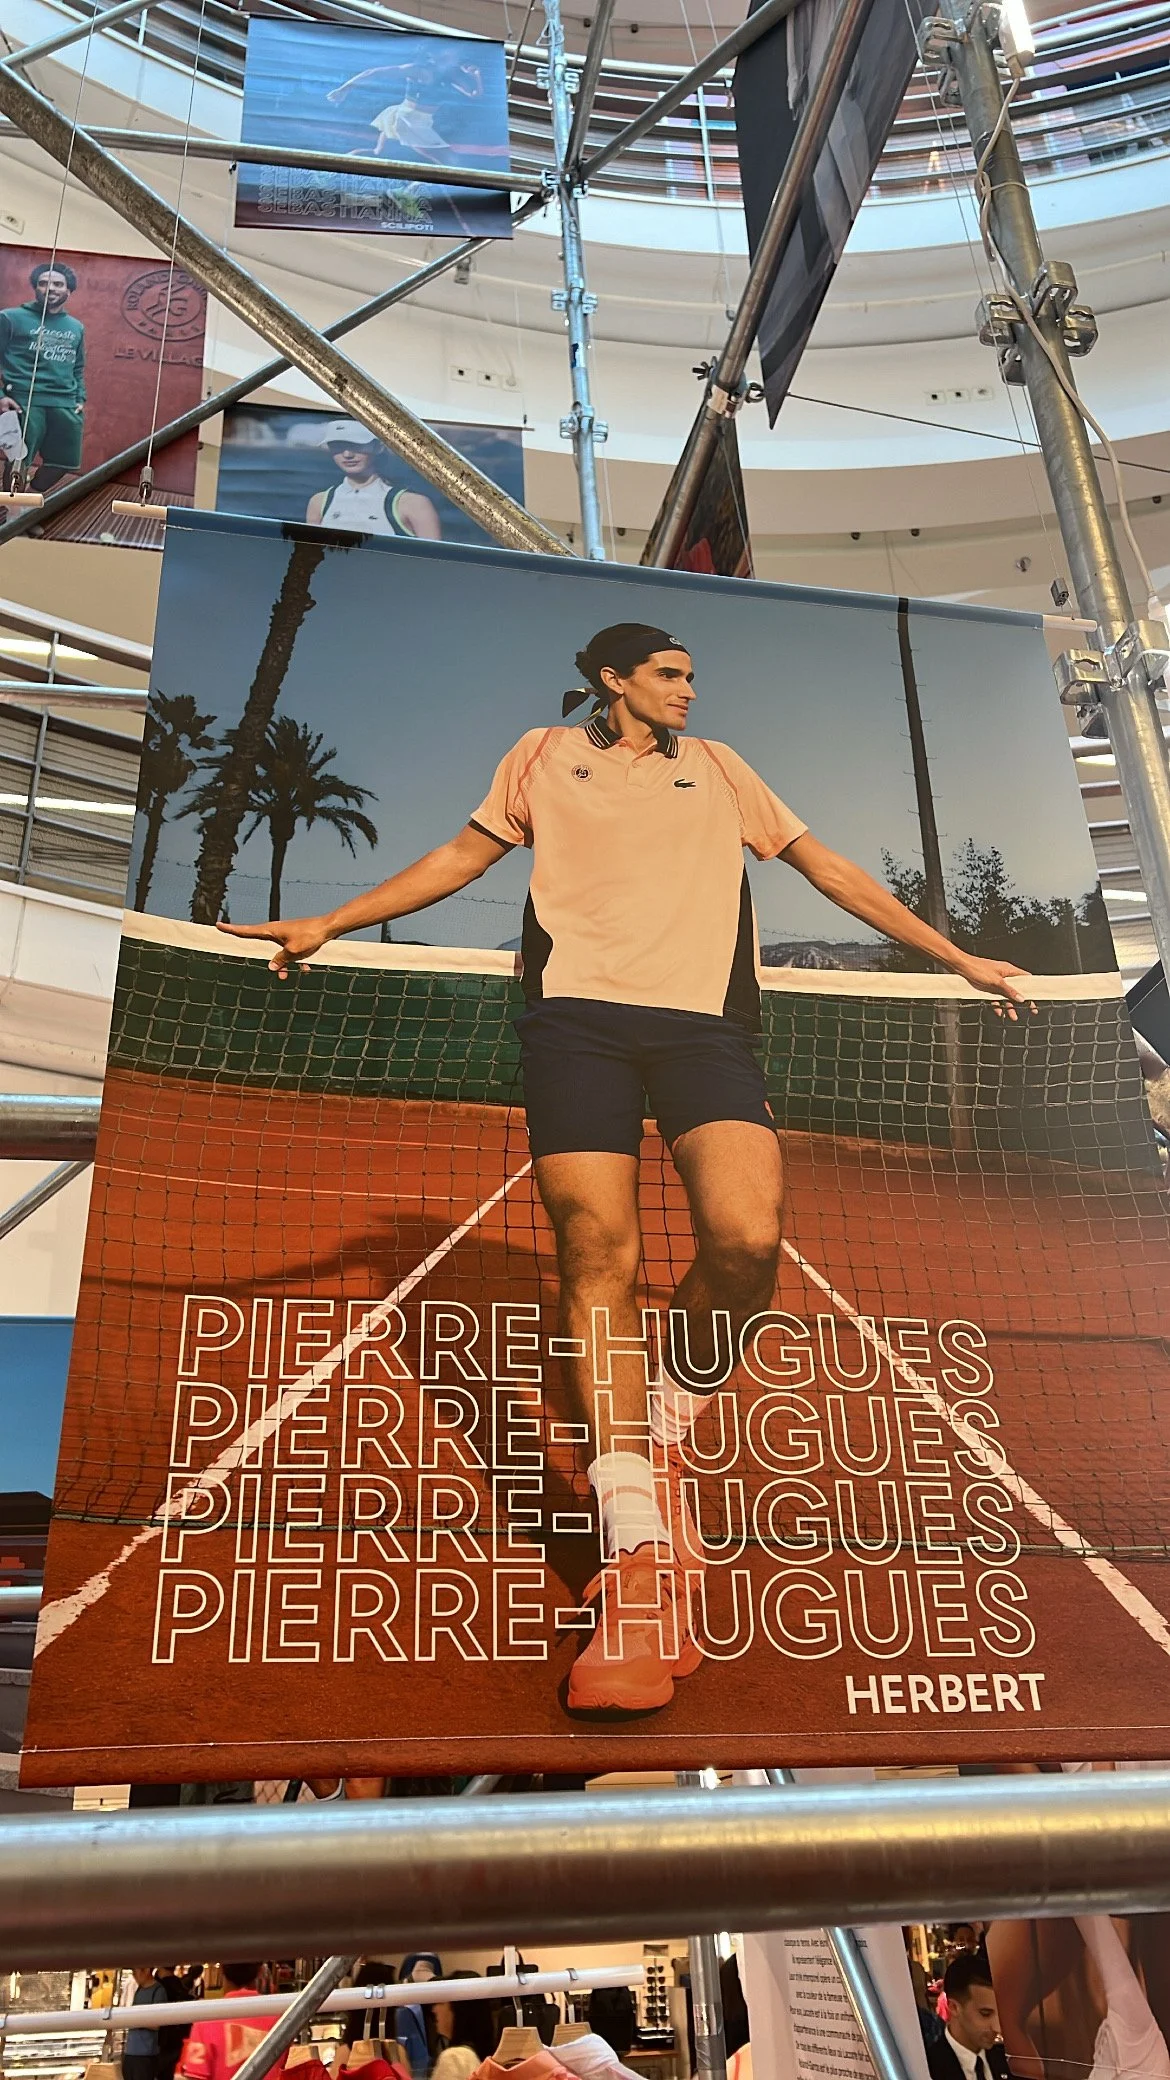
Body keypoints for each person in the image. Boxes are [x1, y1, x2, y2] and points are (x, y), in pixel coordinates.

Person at [221, 622, 1031, 1717]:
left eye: (693, 672)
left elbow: (827, 866)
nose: (690, 688)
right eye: (669, 672)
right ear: (613, 678)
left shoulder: (724, 770)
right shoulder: (541, 756)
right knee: (598, 1255)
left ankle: (664, 1405)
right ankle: (637, 1543)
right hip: (575, 1027)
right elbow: (461, 856)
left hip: (705, 1029)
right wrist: (333, 918)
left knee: (747, 1245)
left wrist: (959, 956)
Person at [0, 260, 85, 491]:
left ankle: (28, 504)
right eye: (43, 283)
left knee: (65, 461)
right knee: (18, 459)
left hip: (65, 404)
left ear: (69, 290)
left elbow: (78, 367)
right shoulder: (10, 318)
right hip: (24, 401)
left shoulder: (76, 327)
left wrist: (80, 398)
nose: (51, 288)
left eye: (58, 284)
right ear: (36, 288)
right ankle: (8, 514)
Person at [305, 424, 441, 540]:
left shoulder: (413, 503)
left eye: (356, 445)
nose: (347, 454)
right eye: (338, 446)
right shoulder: (319, 502)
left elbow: (435, 563)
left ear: (378, 447)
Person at [178, 1964, 285, 2080]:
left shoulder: (206, 2020)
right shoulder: (280, 2019)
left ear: (222, 1971)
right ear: (260, 1972)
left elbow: (196, 2076)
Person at [926, 1957, 1010, 2080]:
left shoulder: (1010, 2062)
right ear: (953, 2007)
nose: (998, 2028)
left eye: (1001, 2014)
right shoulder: (927, 2068)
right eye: (985, 2014)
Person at [123, 1967, 171, 2080]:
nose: (134, 1975)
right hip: (131, 2051)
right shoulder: (139, 1989)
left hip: (146, 2053)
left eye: (136, 1971)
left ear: (147, 1970)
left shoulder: (158, 1991)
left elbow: (157, 2023)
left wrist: (135, 2020)